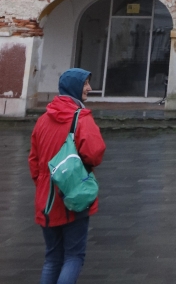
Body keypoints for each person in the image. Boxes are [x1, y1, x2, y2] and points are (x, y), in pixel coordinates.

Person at [29, 68, 107, 284]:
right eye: (85, 84)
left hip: (46, 199)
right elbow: (95, 154)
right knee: (74, 256)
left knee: (52, 258)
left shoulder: (42, 120)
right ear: (75, 87)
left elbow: (34, 162)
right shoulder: (81, 118)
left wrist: (43, 184)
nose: (89, 88)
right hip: (73, 197)